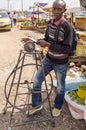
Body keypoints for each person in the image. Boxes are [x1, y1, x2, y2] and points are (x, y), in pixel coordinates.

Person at [21, 0, 73, 117]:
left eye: (59, 9)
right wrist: (31, 39)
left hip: (61, 63)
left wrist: (48, 45)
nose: (56, 11)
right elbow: (46, 40)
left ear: (64, 10)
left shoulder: (67, 27)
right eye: (54, 8)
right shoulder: (50, 23)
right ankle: (36, 105)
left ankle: (58, 106)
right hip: (48, 59)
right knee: (37, 81)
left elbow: (67, 49)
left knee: (60, 86)